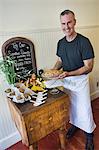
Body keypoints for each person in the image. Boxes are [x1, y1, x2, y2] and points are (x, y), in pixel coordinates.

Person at [53, 10, 96, 150]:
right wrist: (53, 71)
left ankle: (89, 136)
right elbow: (60, 60)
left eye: (69, 22)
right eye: (63, 23)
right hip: (67, 80)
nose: (66, 27)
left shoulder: (84, 42)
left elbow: (88, 67)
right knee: (71, 107)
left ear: (75, 22)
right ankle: (74, 125)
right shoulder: (60, 42)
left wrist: (69, 73)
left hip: (80, 81)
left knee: (84, 109)